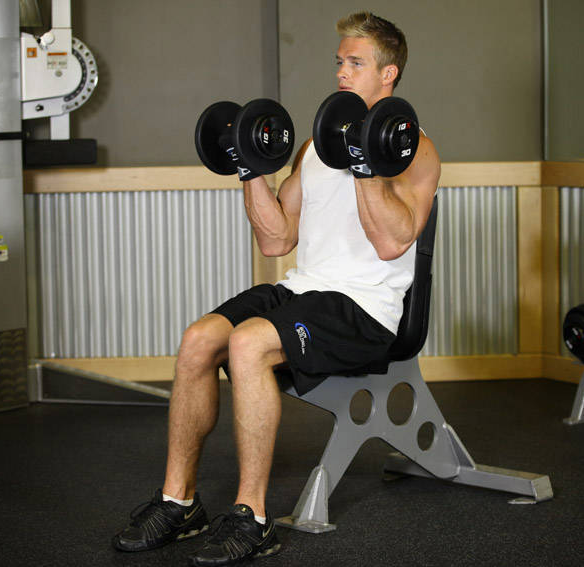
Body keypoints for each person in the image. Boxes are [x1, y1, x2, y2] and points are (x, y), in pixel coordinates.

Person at [112, 11, 440, 566]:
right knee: (199, 340)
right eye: (339, 62)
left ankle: (252, 518)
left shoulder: (415, 150)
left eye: (355, 63)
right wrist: (250, 166)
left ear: (389, 74)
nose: (341, 72)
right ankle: (178, 502)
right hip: (306, 287)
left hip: (366, 307)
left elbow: (392, 244)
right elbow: (275, 240)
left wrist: (366, 165)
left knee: (248, 344)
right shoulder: (314, 148)